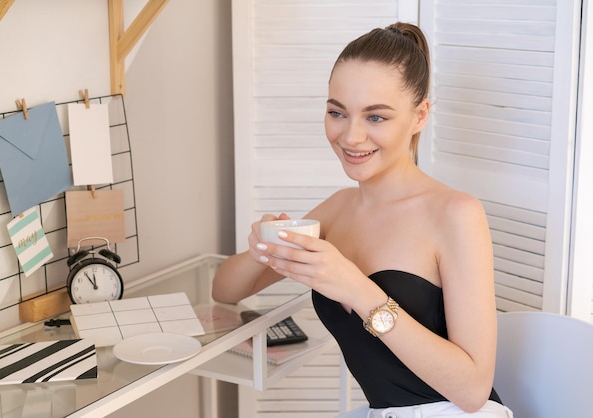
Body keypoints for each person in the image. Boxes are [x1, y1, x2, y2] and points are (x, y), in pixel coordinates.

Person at [212, 22, 513, 418]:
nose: (351, 136)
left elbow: (473, 391)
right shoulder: (337, 210)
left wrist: (357, 289)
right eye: (337, 112)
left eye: (376, 118)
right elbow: (226, 291)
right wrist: (260, 247)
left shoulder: (455, 214)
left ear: (420, 115)